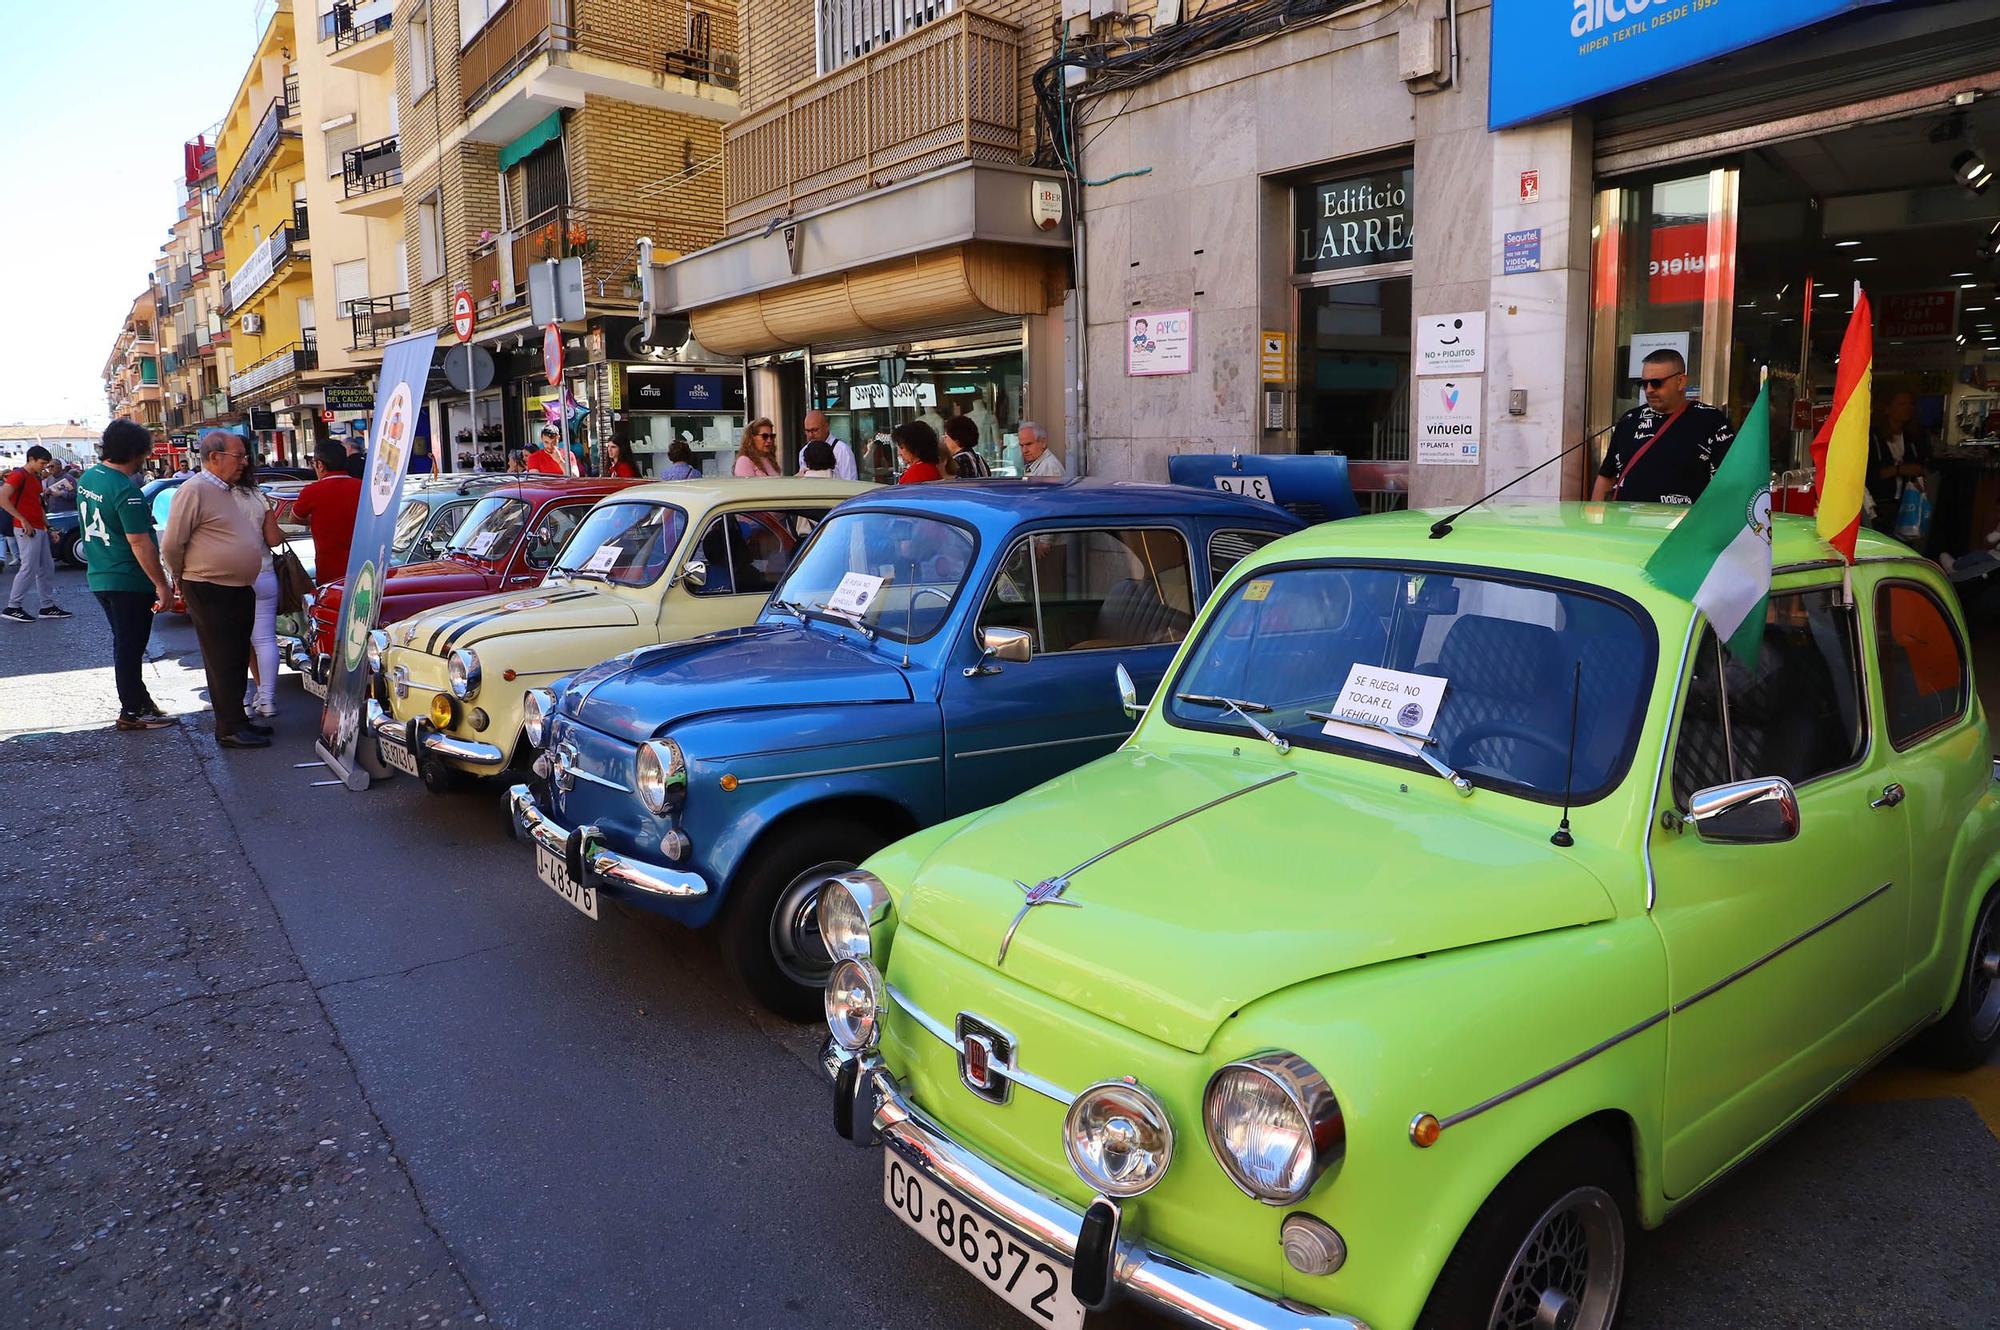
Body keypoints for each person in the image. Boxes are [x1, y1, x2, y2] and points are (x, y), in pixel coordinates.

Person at [161, 431, 280, 750]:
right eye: (238, 456)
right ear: (214, 458)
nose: (244, 463)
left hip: (235, 586)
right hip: (210, 586)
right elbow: (172, 543)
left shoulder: (223, 490)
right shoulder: (195, 489)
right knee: (223, 658)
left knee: (236, 655)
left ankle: (238, 721)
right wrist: (180, 576)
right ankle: (228, 727)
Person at [77, 420, 175, 731]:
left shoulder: (90, 477)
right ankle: (133, 710)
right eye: (145, 450)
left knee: (125, 642)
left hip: (100, 575)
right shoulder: (125, 490)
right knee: (130, 646)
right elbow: (139, 541)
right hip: (128, 579)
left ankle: (140, 701)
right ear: (136, 452)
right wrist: (162, 584)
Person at [1592, 349, 1733, 505]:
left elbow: (1728, 483)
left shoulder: (1711, 421)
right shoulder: (1629, 420)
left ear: (1681, 381)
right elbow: (1606, 475)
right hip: (1626, 524)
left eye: (1657, 383)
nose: (1650, 390)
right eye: (1644, 384)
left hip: (1683, 526)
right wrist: (1594, 520)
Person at [1, 446, 69, 623]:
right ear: (31, 459)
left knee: (46, 568)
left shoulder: (34, 478)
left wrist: (50, 528)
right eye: (42, 463)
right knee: (29, 567)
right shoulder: (18, 475)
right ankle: (13, 606)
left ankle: (47, 606)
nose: (44, 467)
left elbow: (38, 506)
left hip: (37, 527)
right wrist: (22, 520)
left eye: (47, 464)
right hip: (26, 528)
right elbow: (2, 498)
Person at [293, 439, 362, 583]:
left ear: (320, 465)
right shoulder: (363, 487)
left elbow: (294, 518)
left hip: (328, 570)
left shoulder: (311, 491)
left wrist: (318, 520)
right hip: (363, 568)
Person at [1869, 388, 1932, 533]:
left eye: (1910, 404)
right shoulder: (1872, 438)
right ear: (1887, 408)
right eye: (1901, 404)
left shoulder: (1914, 437)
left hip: (1908, 501)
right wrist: (1899, 470)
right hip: (1880, 503)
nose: (1908, 409)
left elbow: (1923, 462)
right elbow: (1870, 474)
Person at [802, 410, 856, 480]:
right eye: (807, 431)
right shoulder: (803, 451)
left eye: (815, 430)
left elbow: (851, 484)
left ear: (826, 427)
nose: (811, 435)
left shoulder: (842, 451)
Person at [941, 415, 992, 480]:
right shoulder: (979, 459)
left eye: (946, 436)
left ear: (956, 440)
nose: (944, 440)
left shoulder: (956, 462)